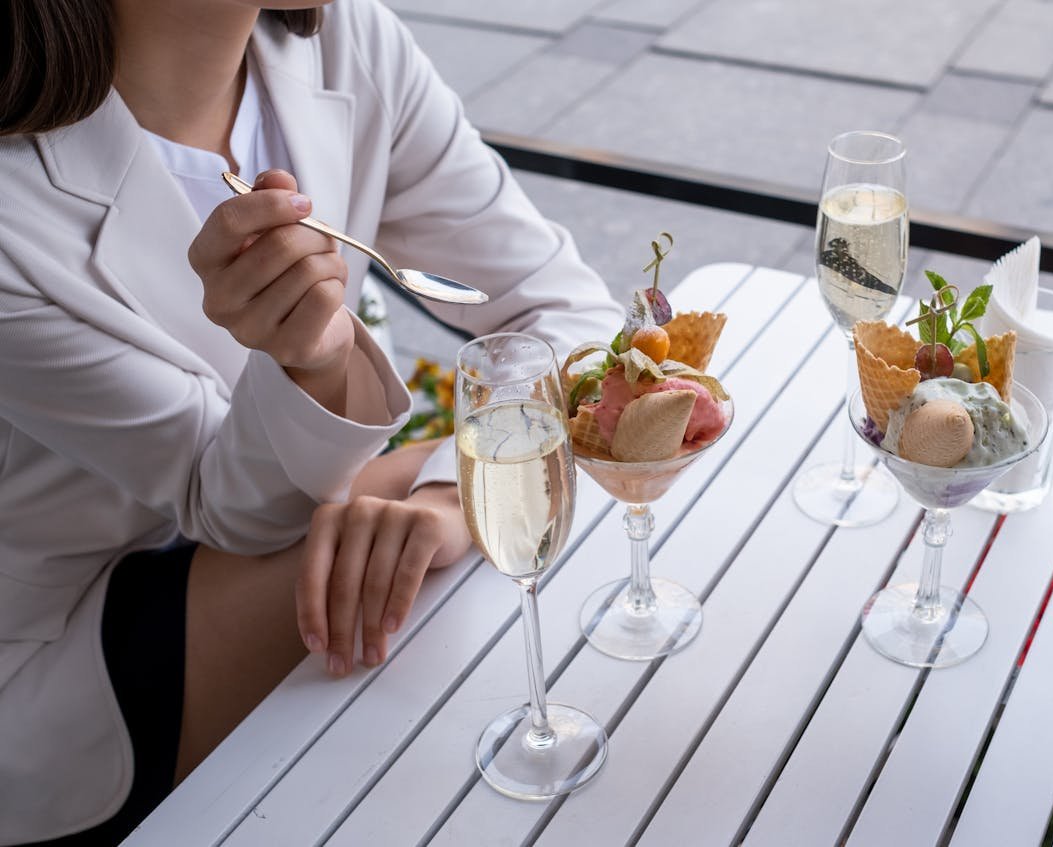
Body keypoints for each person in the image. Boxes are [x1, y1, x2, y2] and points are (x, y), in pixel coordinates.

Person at [0, 0, 623, 842]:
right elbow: (227, 506)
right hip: (80, 642)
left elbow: (573, 318)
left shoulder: (352, 45)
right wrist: (316, 362)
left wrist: (446, 492)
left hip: (284, 533)